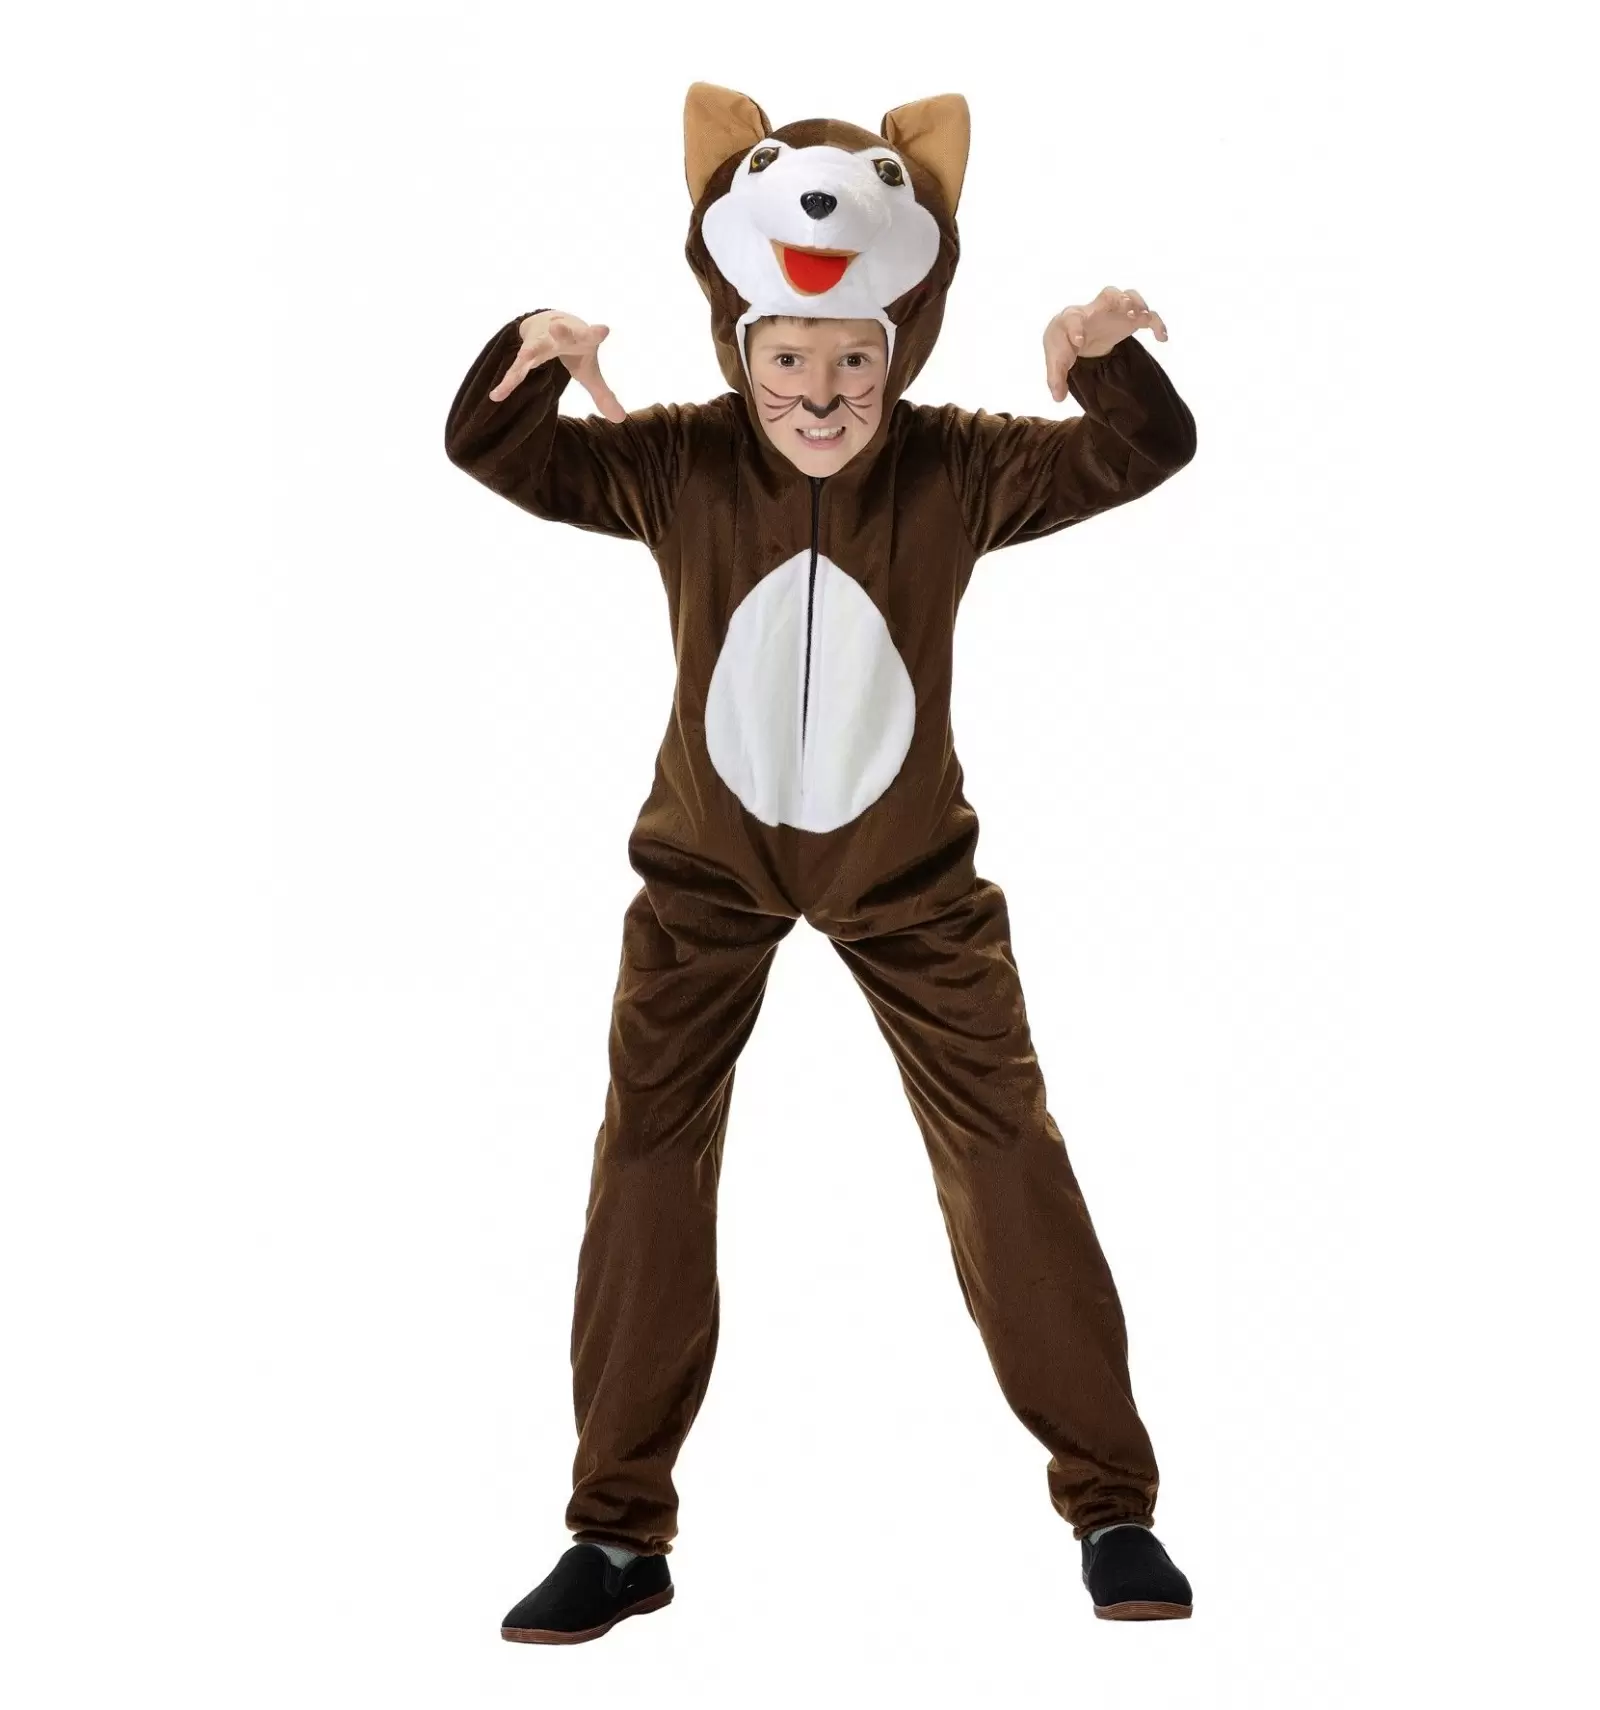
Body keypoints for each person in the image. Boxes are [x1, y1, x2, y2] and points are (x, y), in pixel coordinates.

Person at [444, 81, 1198, 1642]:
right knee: (645, 1158)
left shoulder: (960, 466)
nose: (820, 389)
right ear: (740, 345)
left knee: (1006, 1149)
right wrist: (531, 353)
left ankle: (1112, 1502)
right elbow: (496, 456)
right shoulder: (674, 463)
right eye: (788, 355)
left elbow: (1141, 456)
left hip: (910, 877)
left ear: (901, 344)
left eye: (854, 357)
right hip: (705, 878)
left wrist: (1097, 361)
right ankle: (618, 1531)